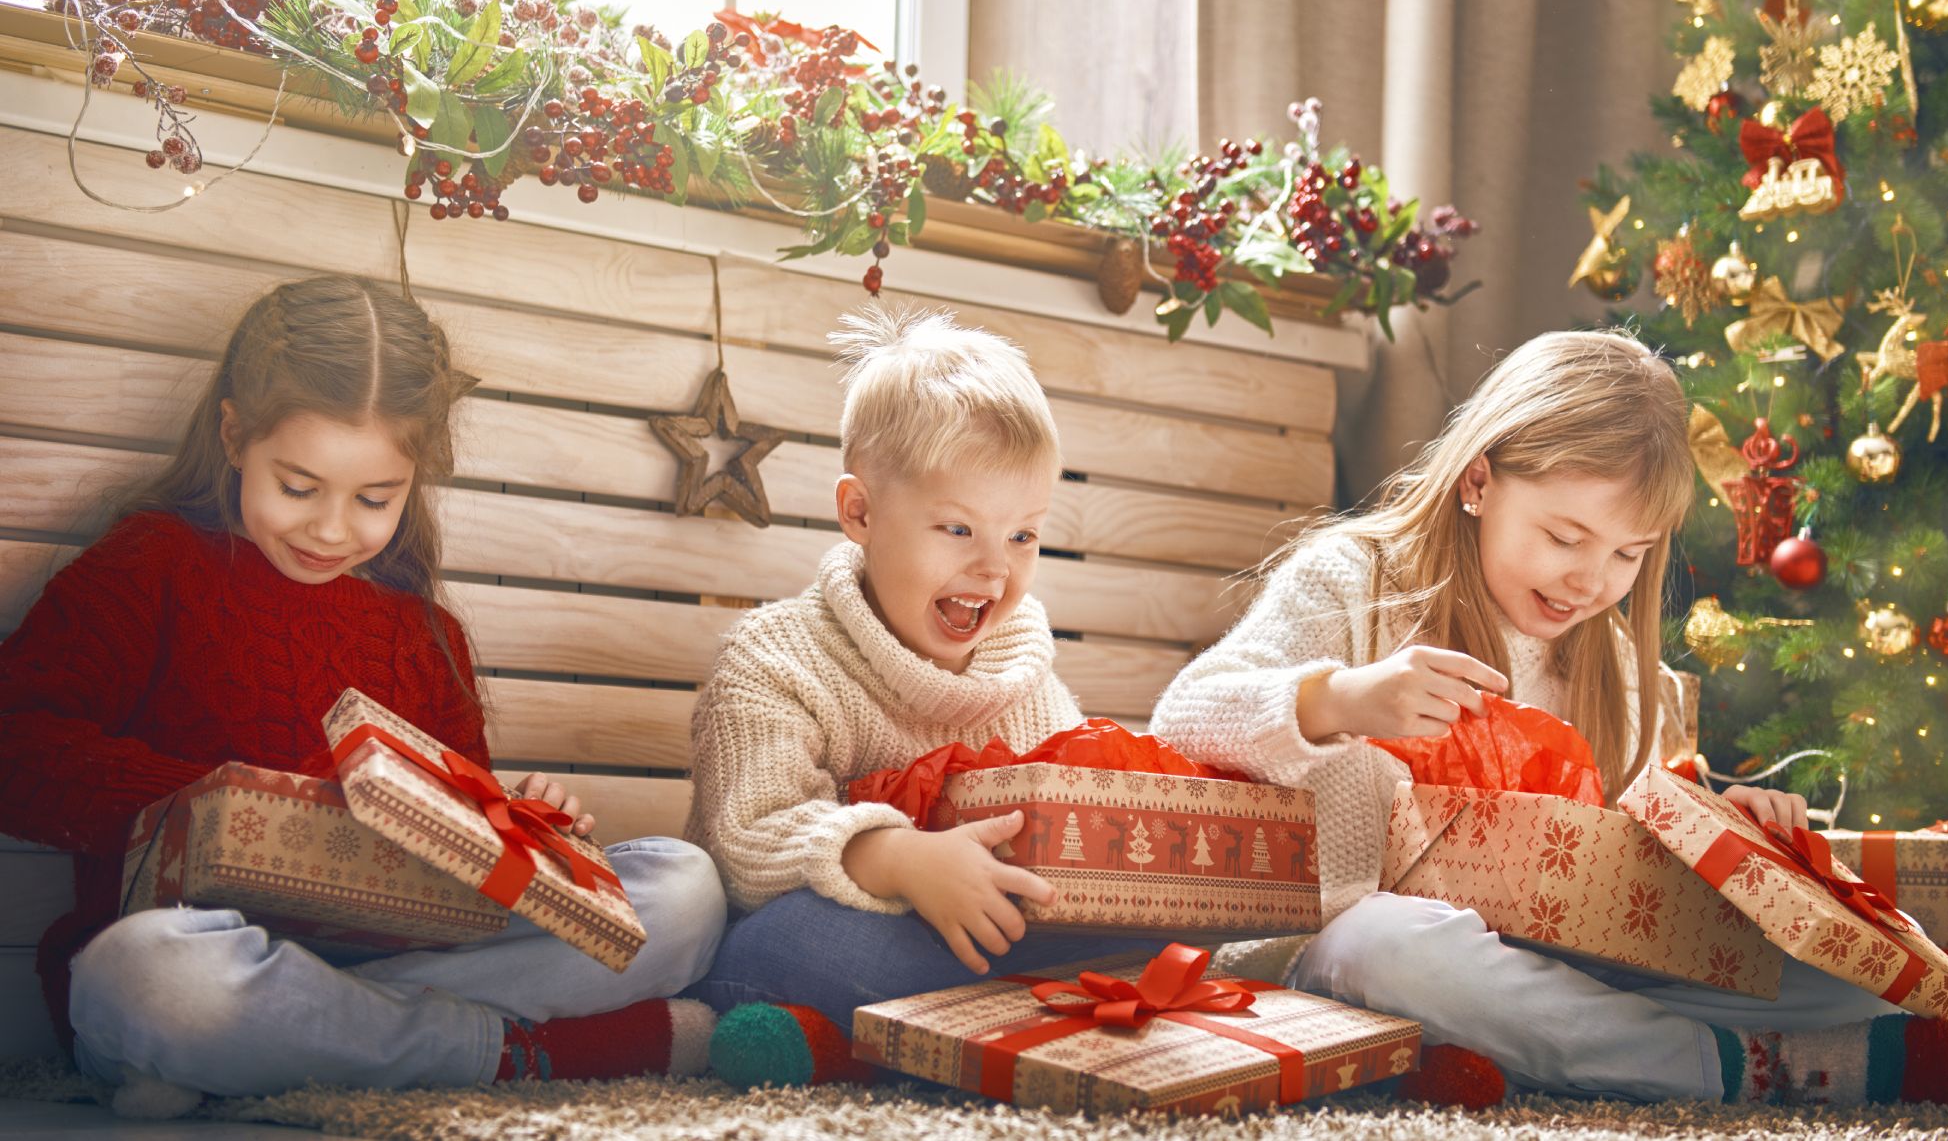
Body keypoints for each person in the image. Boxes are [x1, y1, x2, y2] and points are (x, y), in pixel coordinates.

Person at [1150, 330, 1948, 1106]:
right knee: (1391, 949)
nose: (1589, 579)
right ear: (1478, 482)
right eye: (1564, 536)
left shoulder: (1606, 656)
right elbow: (1182, 717)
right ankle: (1724, 1069)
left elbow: (1619, 867)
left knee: (1839, 983)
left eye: (1627, 553)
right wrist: (1341, 699)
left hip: (1552, 958)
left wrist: (1723, 830)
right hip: (1343, 943)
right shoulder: (1355, 576)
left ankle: (1531, 1048)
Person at [0, 276, 726, 1113]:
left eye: (375, 498)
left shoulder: (419, 630)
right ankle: (519, 1050)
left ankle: (319, 1043)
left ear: (414, 480)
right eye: (299, 487)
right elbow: (13, 743)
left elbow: (462, 853)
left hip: (383, 961)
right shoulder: (153, 565)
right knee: (149, 981)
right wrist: (204, 803)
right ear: (234, 434)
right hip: (207, 951)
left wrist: (523, 822)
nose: (333, 529)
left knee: (685, 890)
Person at [686, 306, 1162, 1084]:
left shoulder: (1022, 673)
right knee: (802, 943)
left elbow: (1073, 810)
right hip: (829, 933)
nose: (994, 569)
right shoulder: (775, 655)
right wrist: (900, 858)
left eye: (1023, 535)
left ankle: (910, 1044)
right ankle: (1038, 1029)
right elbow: (750, 842)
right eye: (957, 528)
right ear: (861, 513)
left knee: (1158, 940)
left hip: (987, 942)